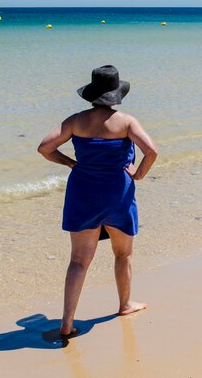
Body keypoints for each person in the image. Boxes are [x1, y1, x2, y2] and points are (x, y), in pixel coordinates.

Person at [38, 65, 158, 337]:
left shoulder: (75, 121)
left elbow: (44, 148)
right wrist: (137, 174)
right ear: (117, 94)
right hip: (118, 194)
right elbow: (151, 151)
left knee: (79, 261)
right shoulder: (126, 122)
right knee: (123, 254)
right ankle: (125, 304)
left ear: (91, 94)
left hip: (83, 194)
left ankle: (66, 323)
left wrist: (71, 162)